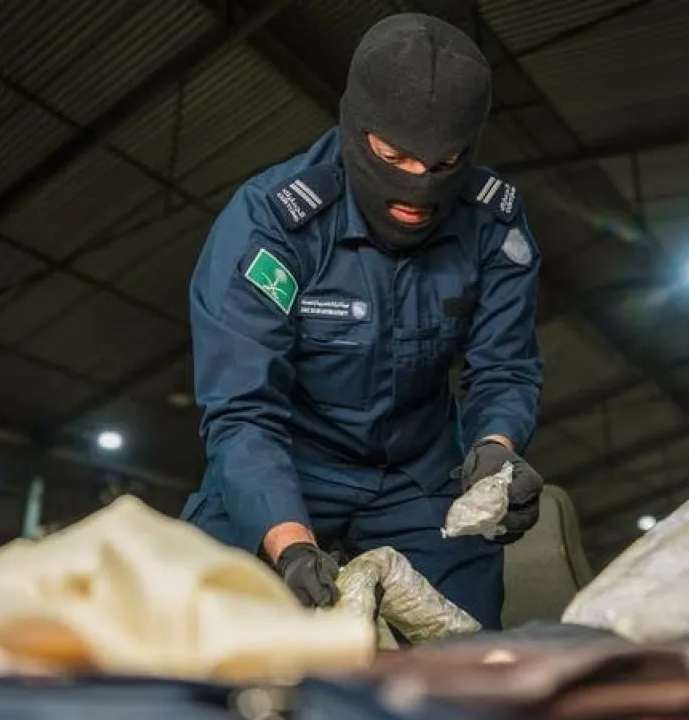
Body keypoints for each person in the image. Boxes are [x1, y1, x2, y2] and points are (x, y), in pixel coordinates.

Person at [183, 12, 545, 630]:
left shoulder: (493, 224)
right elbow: (243, 409)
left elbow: (504, 367)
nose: (417, 187)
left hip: (420, 476)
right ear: (357, 129)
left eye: (443, 165)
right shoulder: (272, 226)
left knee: (466, 649)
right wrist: (291, 547)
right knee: (202, 633)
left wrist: (496, 451)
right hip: (285, 465)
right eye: (393, 157)